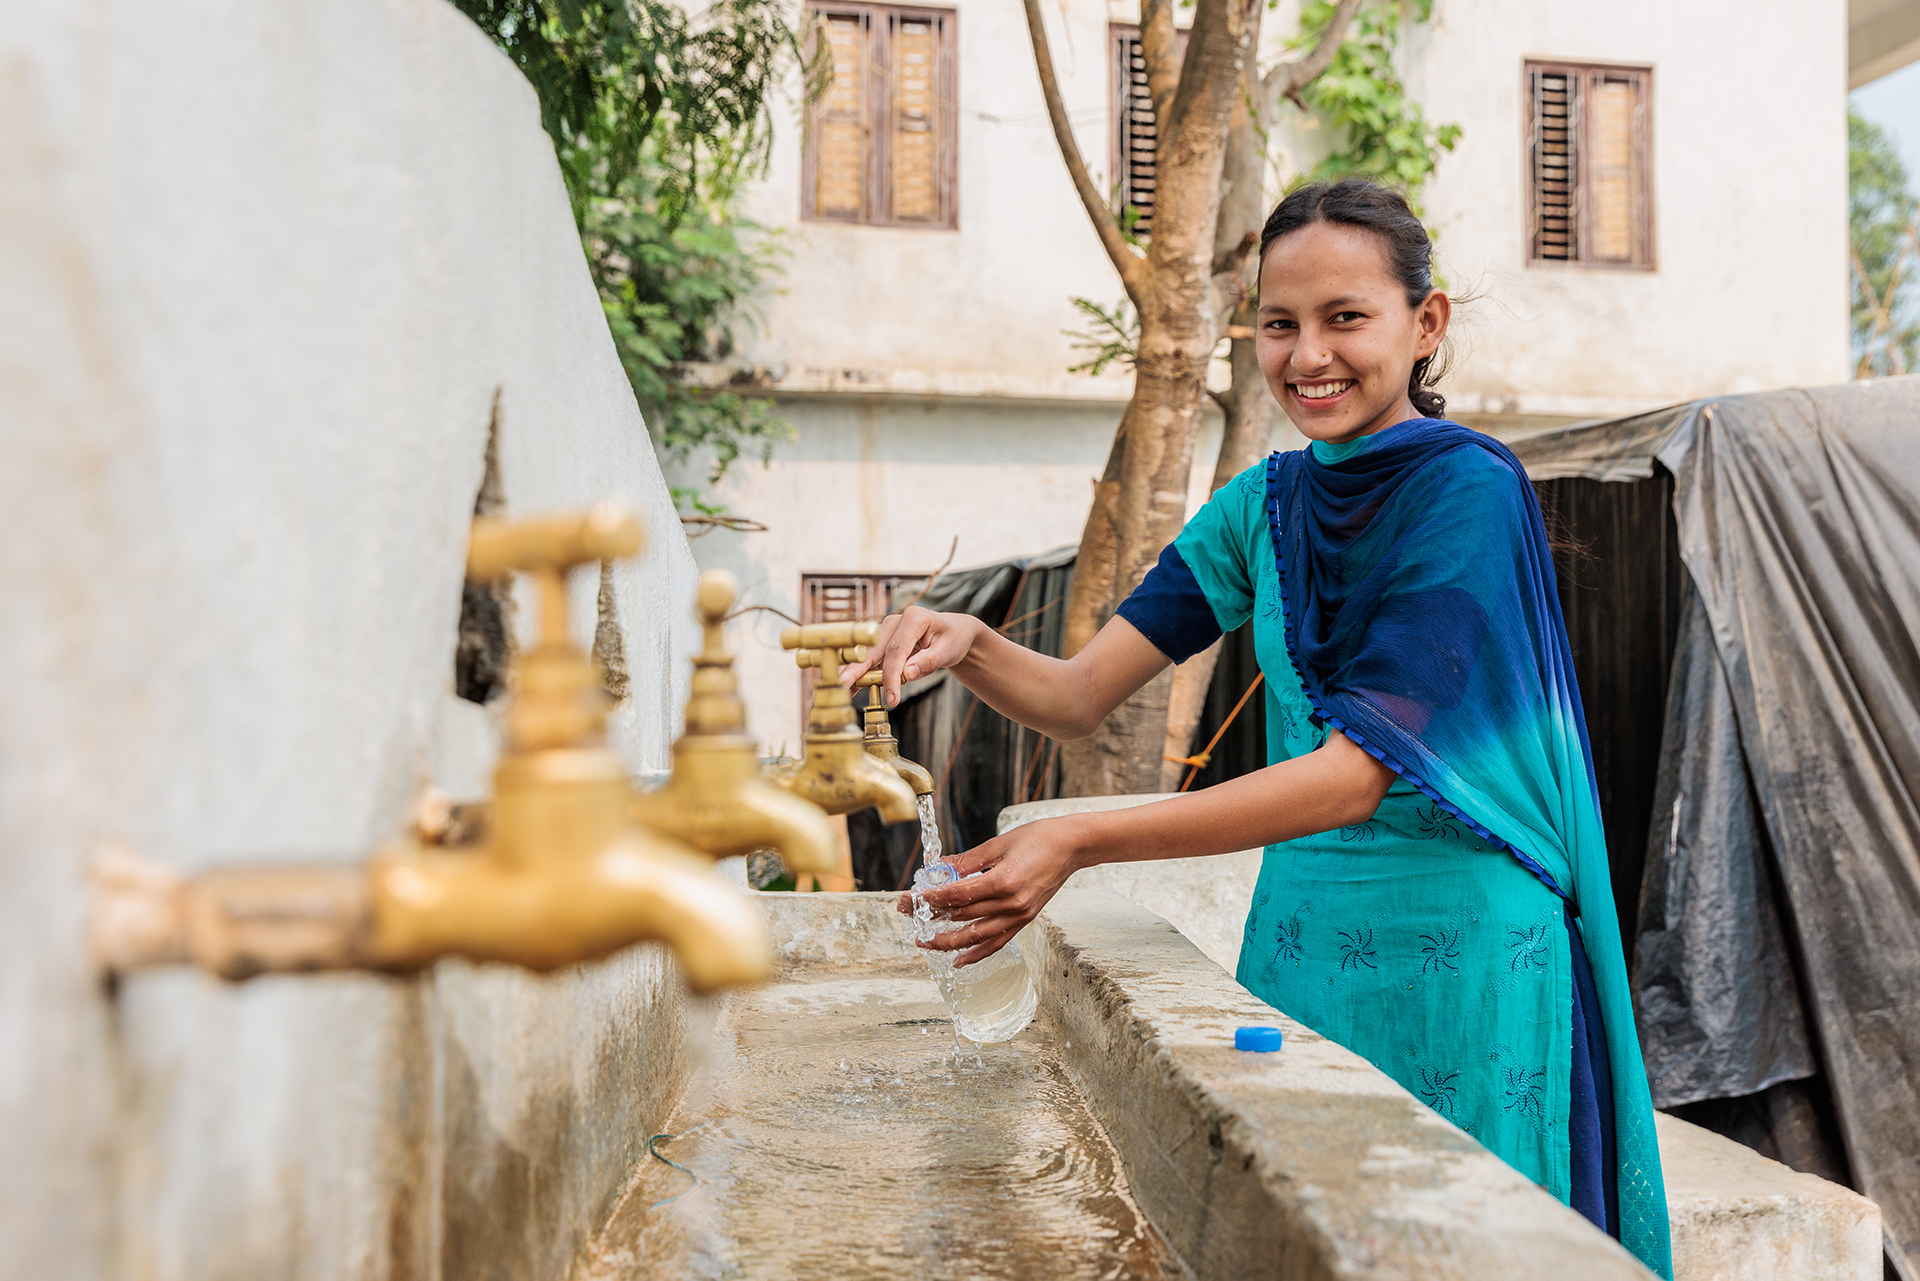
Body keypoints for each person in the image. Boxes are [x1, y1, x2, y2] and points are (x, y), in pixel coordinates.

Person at [843, 177, 1672, 1276]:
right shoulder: (1261, 506)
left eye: (1345, 318)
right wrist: (974, 643)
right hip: (1307, 940)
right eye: (1280, 325)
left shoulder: (1467, 491)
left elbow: (1350, 779)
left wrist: (1080, 839)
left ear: (1426, 326)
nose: (1308, 356)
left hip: (1469, 955)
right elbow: (1084, 691)